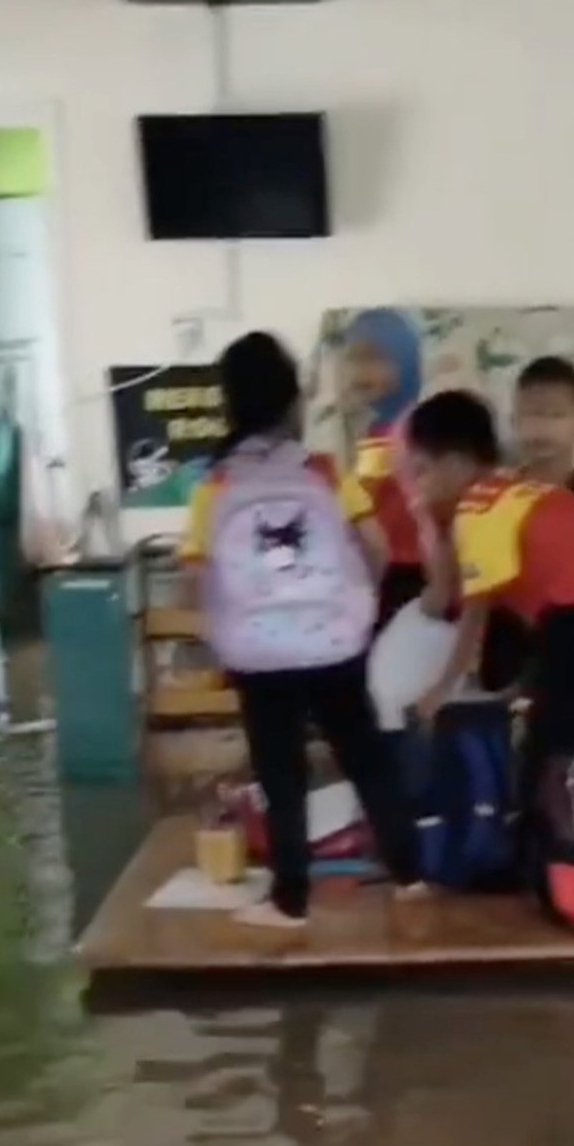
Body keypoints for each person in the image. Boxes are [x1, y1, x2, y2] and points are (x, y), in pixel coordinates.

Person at [182, 331, 426, 932]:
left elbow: (195, 574)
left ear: (229, 405)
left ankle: (290, 900)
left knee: (280, 769)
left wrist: (221, 629)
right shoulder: (323, 471)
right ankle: (410, 874)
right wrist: (357, 603)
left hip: (257, 652)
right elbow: (377, 546)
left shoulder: (215, 487)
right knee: (366, 755)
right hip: (334, 641)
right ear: (294, 402)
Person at [410, 387, 574, 819]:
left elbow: (475, 611)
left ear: (456, 464)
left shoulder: (477, 509)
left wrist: (443, 689)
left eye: (422, 472)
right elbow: (521, 602)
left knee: (549, 742)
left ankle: (546, 850)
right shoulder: (513, 491)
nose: (419, 487)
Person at [497, 356, 574, 694]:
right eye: (532, 415)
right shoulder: (499, 497)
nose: (542, 428)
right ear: (514, 419)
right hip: (518, 655)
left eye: (555, 415)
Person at [330, 308, 444, 624]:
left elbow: (362, 502)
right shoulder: (376, 429)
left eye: (375, 357)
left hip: (409, 572)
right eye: (353, 358)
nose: (360, 371)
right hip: (387, 569)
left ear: (406, 361)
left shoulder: (408, 430)